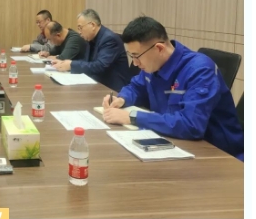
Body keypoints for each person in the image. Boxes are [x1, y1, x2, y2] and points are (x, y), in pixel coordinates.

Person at [102, 16, 244, 160]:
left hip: (218, 154)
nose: (135, 63)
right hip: (174, 143)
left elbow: (191, 125)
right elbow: (137, 87)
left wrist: (132, 117)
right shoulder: (152, 65)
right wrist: (122, 99)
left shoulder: (200, 70)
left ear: (159, 48)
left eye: (136, 56)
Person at [51, 9, 131, 91]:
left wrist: (71, 65)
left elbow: (99, 66)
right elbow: (87, 62)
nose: (79, 32)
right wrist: (65, 63)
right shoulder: (90, 39)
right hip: (97, 85)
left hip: (112, 89)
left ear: (92, 25)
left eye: (80, 28)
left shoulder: (109, 39)